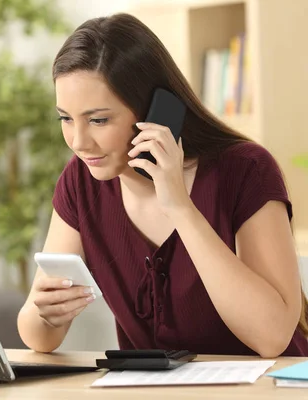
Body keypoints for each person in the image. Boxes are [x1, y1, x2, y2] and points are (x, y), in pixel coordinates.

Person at [16, 13, 308, 358]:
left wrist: (180, 208)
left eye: (98, 120)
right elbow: (38, 336)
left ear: (155, 111)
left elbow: (271, 337)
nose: (79, 142)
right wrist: (46, 315)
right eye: (65, 118)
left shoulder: (246, 170)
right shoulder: (80, 184)